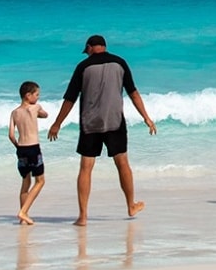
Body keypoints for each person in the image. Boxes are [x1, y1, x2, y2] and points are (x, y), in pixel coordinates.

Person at [48, 35, 156, 226]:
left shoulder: (83, 67)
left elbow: (70, 98)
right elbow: (133, 93)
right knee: (122, 164)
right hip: (115, 122)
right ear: (104, 47)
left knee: (86, 168)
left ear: (90, 47)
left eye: (87, 50)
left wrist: (57, 123)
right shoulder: (120, 63)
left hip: (90, 124)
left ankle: (83, 216)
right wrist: (146, 117)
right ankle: (131, 205)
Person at [8, 81, 50, 225]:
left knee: (25, 182)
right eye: (36, 94)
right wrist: (39, 111)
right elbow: (45, 115)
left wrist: (17, 146)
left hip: (21, 149)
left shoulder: (14, 112)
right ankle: (23, 212)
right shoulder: (35, 107)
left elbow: (11, 135)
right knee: (40, 181)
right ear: (28, 95)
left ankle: (23, 218)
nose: (38, 98)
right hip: (33, 148)